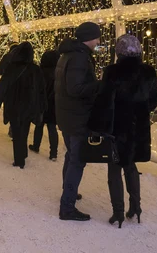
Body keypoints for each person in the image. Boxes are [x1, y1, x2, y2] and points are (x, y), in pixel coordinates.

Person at [97, 34, 157, 228]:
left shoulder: (112, 72)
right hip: (138, 127)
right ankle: (136, 208)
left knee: (114, 169)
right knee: (131, 166)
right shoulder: (149, 72)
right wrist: (140, 111)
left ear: (119, 52)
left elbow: (104, 101)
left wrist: (98, 125)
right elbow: (154, 99)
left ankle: (118, 213)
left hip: (117, 128)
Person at [56, 22, 103, 222]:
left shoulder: (69, 54)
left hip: (67, 115)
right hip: (77, 117)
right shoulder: (79, 58)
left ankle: (69, 192)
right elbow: (75, 89)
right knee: (77, 159)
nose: (99, 41)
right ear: (89, 38)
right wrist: (98, 86)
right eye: (97, 37)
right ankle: (67, 207)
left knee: (71, 155)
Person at [0, 42, 46, 168]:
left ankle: (19, 159)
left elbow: (3, 86)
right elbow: (41, 90)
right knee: (24, 130)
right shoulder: (35, 69)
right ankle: (23, 154)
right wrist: (42, 106)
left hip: (13, 104)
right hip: (29, 105)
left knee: (16, 131)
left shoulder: (12, 68)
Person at [29, 50, 61, 161]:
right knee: (52, 128)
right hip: (53, 104)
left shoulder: (41, 71)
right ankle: (53, 153)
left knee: (39, 125)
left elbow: (36, 88)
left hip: (42, 103)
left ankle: (36, 146)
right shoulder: (58, 73)